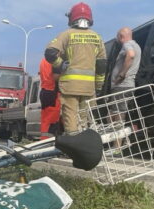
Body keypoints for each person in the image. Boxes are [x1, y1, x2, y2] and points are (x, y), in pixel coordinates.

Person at [44, 2, 107, 135]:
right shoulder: (97, 38)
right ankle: (83, 149)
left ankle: (73, 149)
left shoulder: (67, 35)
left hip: (70, 86)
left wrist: (60, 65)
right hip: (89, 88)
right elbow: (101, 66)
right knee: (83, 121)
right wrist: (99, 86)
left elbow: (50, 53)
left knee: (71, 120)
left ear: (72, 18)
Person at [109, 27, 141, 155]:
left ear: (121, 36)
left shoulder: (127, 45)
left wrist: (121, 74)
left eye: (118, 37)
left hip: (122, 86)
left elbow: (130, 55)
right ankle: (120, 141)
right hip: (127, 86)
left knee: (117, 116)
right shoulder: (137, 45)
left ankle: (117, 146)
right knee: (113, 114)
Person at [39, 58, 62, 139]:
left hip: (45, 91)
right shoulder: (55, 60)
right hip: (53, 92)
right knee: (52, 120)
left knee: (45, 120)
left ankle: (43, 140)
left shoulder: (44, 60)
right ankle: (48, 141)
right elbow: (56, 76)